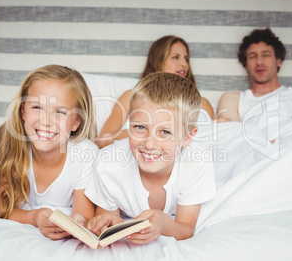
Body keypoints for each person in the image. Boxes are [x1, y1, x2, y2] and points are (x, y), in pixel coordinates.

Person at [85, 72, 216, 244]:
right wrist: (106, 223)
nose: (149, 144)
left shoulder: (197, 162)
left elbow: (186, 228)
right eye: (140, 127)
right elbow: (106, 216)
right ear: (129, 123)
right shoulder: (108, 164)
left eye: (165, 132)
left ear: (187, 138)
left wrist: (164, 224)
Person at [0, 65, 98, 240]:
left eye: (60, 112)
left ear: (76, 123)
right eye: (37, 108)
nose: (46, 121)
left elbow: (84, 215)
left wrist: (76, 222)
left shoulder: (86, 154)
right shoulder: (13, 145)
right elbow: (3, 208)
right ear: (23, 111)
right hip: (5, 139)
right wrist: (35, 217)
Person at [95, 35, 215, 149]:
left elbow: (218, 138)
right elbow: (105, 138)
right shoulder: (131, 96)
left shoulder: (202, 103)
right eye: (175, 57)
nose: (184, 64)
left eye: (186, 59)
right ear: (158, 60)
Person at [216, 28, 292, 125]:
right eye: (252, 56)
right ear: (246, 64)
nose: (259, 62)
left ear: (279, 61)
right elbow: (229, 129)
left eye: (266, 55)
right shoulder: (235, 98)